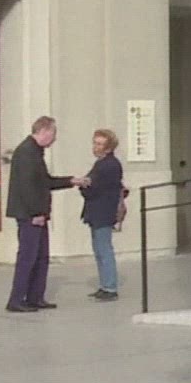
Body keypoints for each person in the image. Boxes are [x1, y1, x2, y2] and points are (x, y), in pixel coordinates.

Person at [3, 116, 85, 314]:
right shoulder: (26, 152)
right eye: (53, 133)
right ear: (44, 131)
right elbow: (27, 187)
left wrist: (71, 181)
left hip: (38, 214)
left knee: (41, 257)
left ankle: (35, 297)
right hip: (30, 215)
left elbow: (44, 182)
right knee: (28, 257)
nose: (54, 138)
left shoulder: (35, 152)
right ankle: (16, 299)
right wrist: (36, 213)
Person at [79, 128, 126, 301]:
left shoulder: (108, 165)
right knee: (99, 249)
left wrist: (84, 186)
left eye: (100, 144)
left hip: (103, 212)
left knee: (104, 249)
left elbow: (93, 187)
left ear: (108, 147)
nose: (96, 147)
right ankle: (105, 284)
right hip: (98, 211)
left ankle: (110, 287)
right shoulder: (103, 163)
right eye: (95, 143)